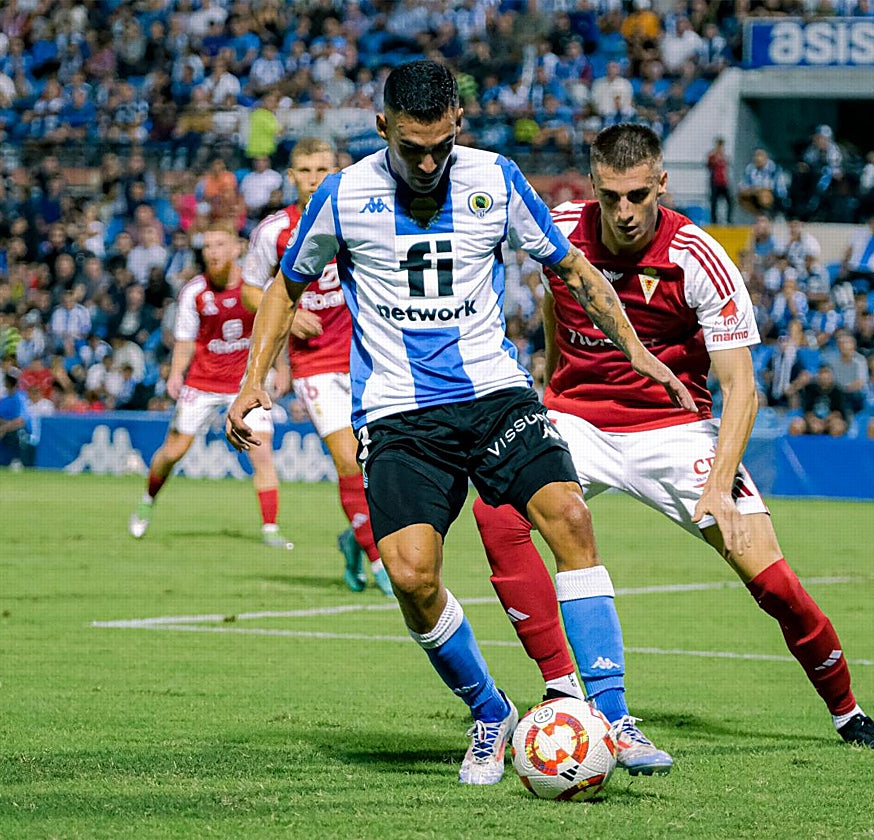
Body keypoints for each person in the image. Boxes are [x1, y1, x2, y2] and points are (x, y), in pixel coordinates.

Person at [226, 62, 695, 785]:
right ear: (382, 128)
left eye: (440, 146)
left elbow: (571, 269)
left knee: (568, 517)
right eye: (411, 147)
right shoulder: (343, 195)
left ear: (458, 130)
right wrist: (251, 381)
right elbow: (285, 289)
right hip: (398, 413)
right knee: (413, 577)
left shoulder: (495, 179)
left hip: (494, 396)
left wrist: (638, 352)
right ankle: (488, 711)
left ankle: (612, 715)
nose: (426, 162)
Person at [469, 123, 874, 750]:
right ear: (592, 186)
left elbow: (742, 388)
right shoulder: (556, 226)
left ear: (662, 185)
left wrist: (720, 487)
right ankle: (564, 686)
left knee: (773, 581)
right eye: (612, 195)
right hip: (575, 419)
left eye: (639, 195)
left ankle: (847, 712)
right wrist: (550, 386)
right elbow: (554, 307)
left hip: (676, 429)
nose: (624, 211)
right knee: (495, 513)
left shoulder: (697, 256)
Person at [242, 137, 393, 596]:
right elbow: (251, 289)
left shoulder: (358, 215)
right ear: (291, 177)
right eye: (305, 171)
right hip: (317, 366)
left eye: (323, 170)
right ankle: (380, 563)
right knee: (348, 461)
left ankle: (355, 536)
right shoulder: (274, 231)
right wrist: (289, 317)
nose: (314, 179)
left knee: (383, 465)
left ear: (337, 169)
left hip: (371, 354)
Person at [129, 221, 293, 549]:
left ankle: (270, 528)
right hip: (202, 383)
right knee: (173, 452)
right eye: (207, 246)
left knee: (261, 454)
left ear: (236, 249)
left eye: (220, 245)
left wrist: (281, 367)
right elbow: (185, 340)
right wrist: (176, 374)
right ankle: (147, 499)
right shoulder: (194, 291)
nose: (213, 252)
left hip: (246, 383)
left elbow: (275, 326)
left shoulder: (255, 287)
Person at [0, 372, 39, 469]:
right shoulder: (4, 398)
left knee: (16, 433)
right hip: (6, 426)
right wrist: (3, 426)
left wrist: (3, 428)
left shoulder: (21, 398)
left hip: (17, 428)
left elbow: (21, 420)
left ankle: (16, 459)